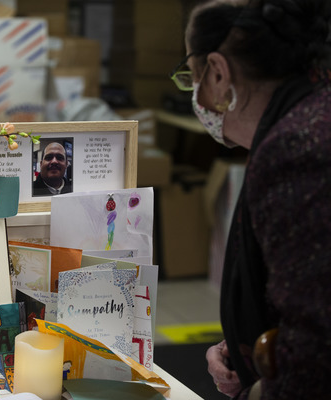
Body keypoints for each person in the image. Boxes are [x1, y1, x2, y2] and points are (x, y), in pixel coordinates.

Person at [170, 0, 331, 398]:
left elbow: (316, 342)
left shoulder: (296, 150)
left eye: (191, 78)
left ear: (219, 72)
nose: (194, 94)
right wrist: (248, 344)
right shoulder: (311, 120)